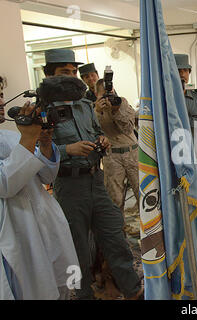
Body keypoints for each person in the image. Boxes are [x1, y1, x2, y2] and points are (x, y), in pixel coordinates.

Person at [44, 48, 142, 300]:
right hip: (68, 185)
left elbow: (99, 131)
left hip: (95, 180)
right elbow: (36, 151)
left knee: (115, 237)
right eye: (65, 72)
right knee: (76, 247)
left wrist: (102, 141)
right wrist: (67, 150)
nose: (72, 77)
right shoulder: (42, 109)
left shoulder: (85, 106)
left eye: (73, 72)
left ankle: (133, 291)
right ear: (48, 75)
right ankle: (83, 293)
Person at [0, 90, 79, 299]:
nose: (1, 101)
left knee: (57, 282)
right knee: (31, 288)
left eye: (0, 94)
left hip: (42, 218)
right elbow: (6, 184)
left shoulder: (11, 136)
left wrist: (43, 143)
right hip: (16, 229)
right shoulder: (21, 137)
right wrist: (28, 137)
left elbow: (46, 175)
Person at [94, 79, 139, 226]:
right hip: (112, 157)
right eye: (103, 95)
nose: (108, 98)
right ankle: (120, 235)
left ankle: (149, 235)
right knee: (115, 199)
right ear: (96, 94)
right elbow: (93, 130)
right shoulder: (93, 110)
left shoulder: (122, 103)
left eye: (110, 93)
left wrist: (116, 109)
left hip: (133, 153)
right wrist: (98, 112)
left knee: (142, 194)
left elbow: (128, 127)